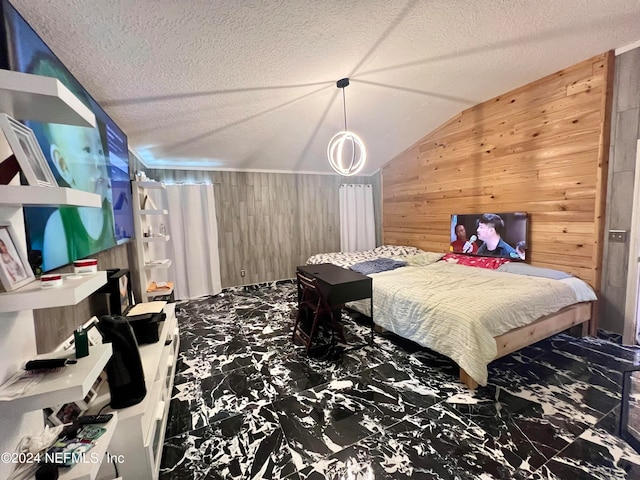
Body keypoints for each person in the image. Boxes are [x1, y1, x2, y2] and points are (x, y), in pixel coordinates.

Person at [28, 54, 116, 270]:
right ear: (64, 166)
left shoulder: (112, 210)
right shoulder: (58, 228)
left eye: (99, 149)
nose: (98, 161)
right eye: (87, 150)